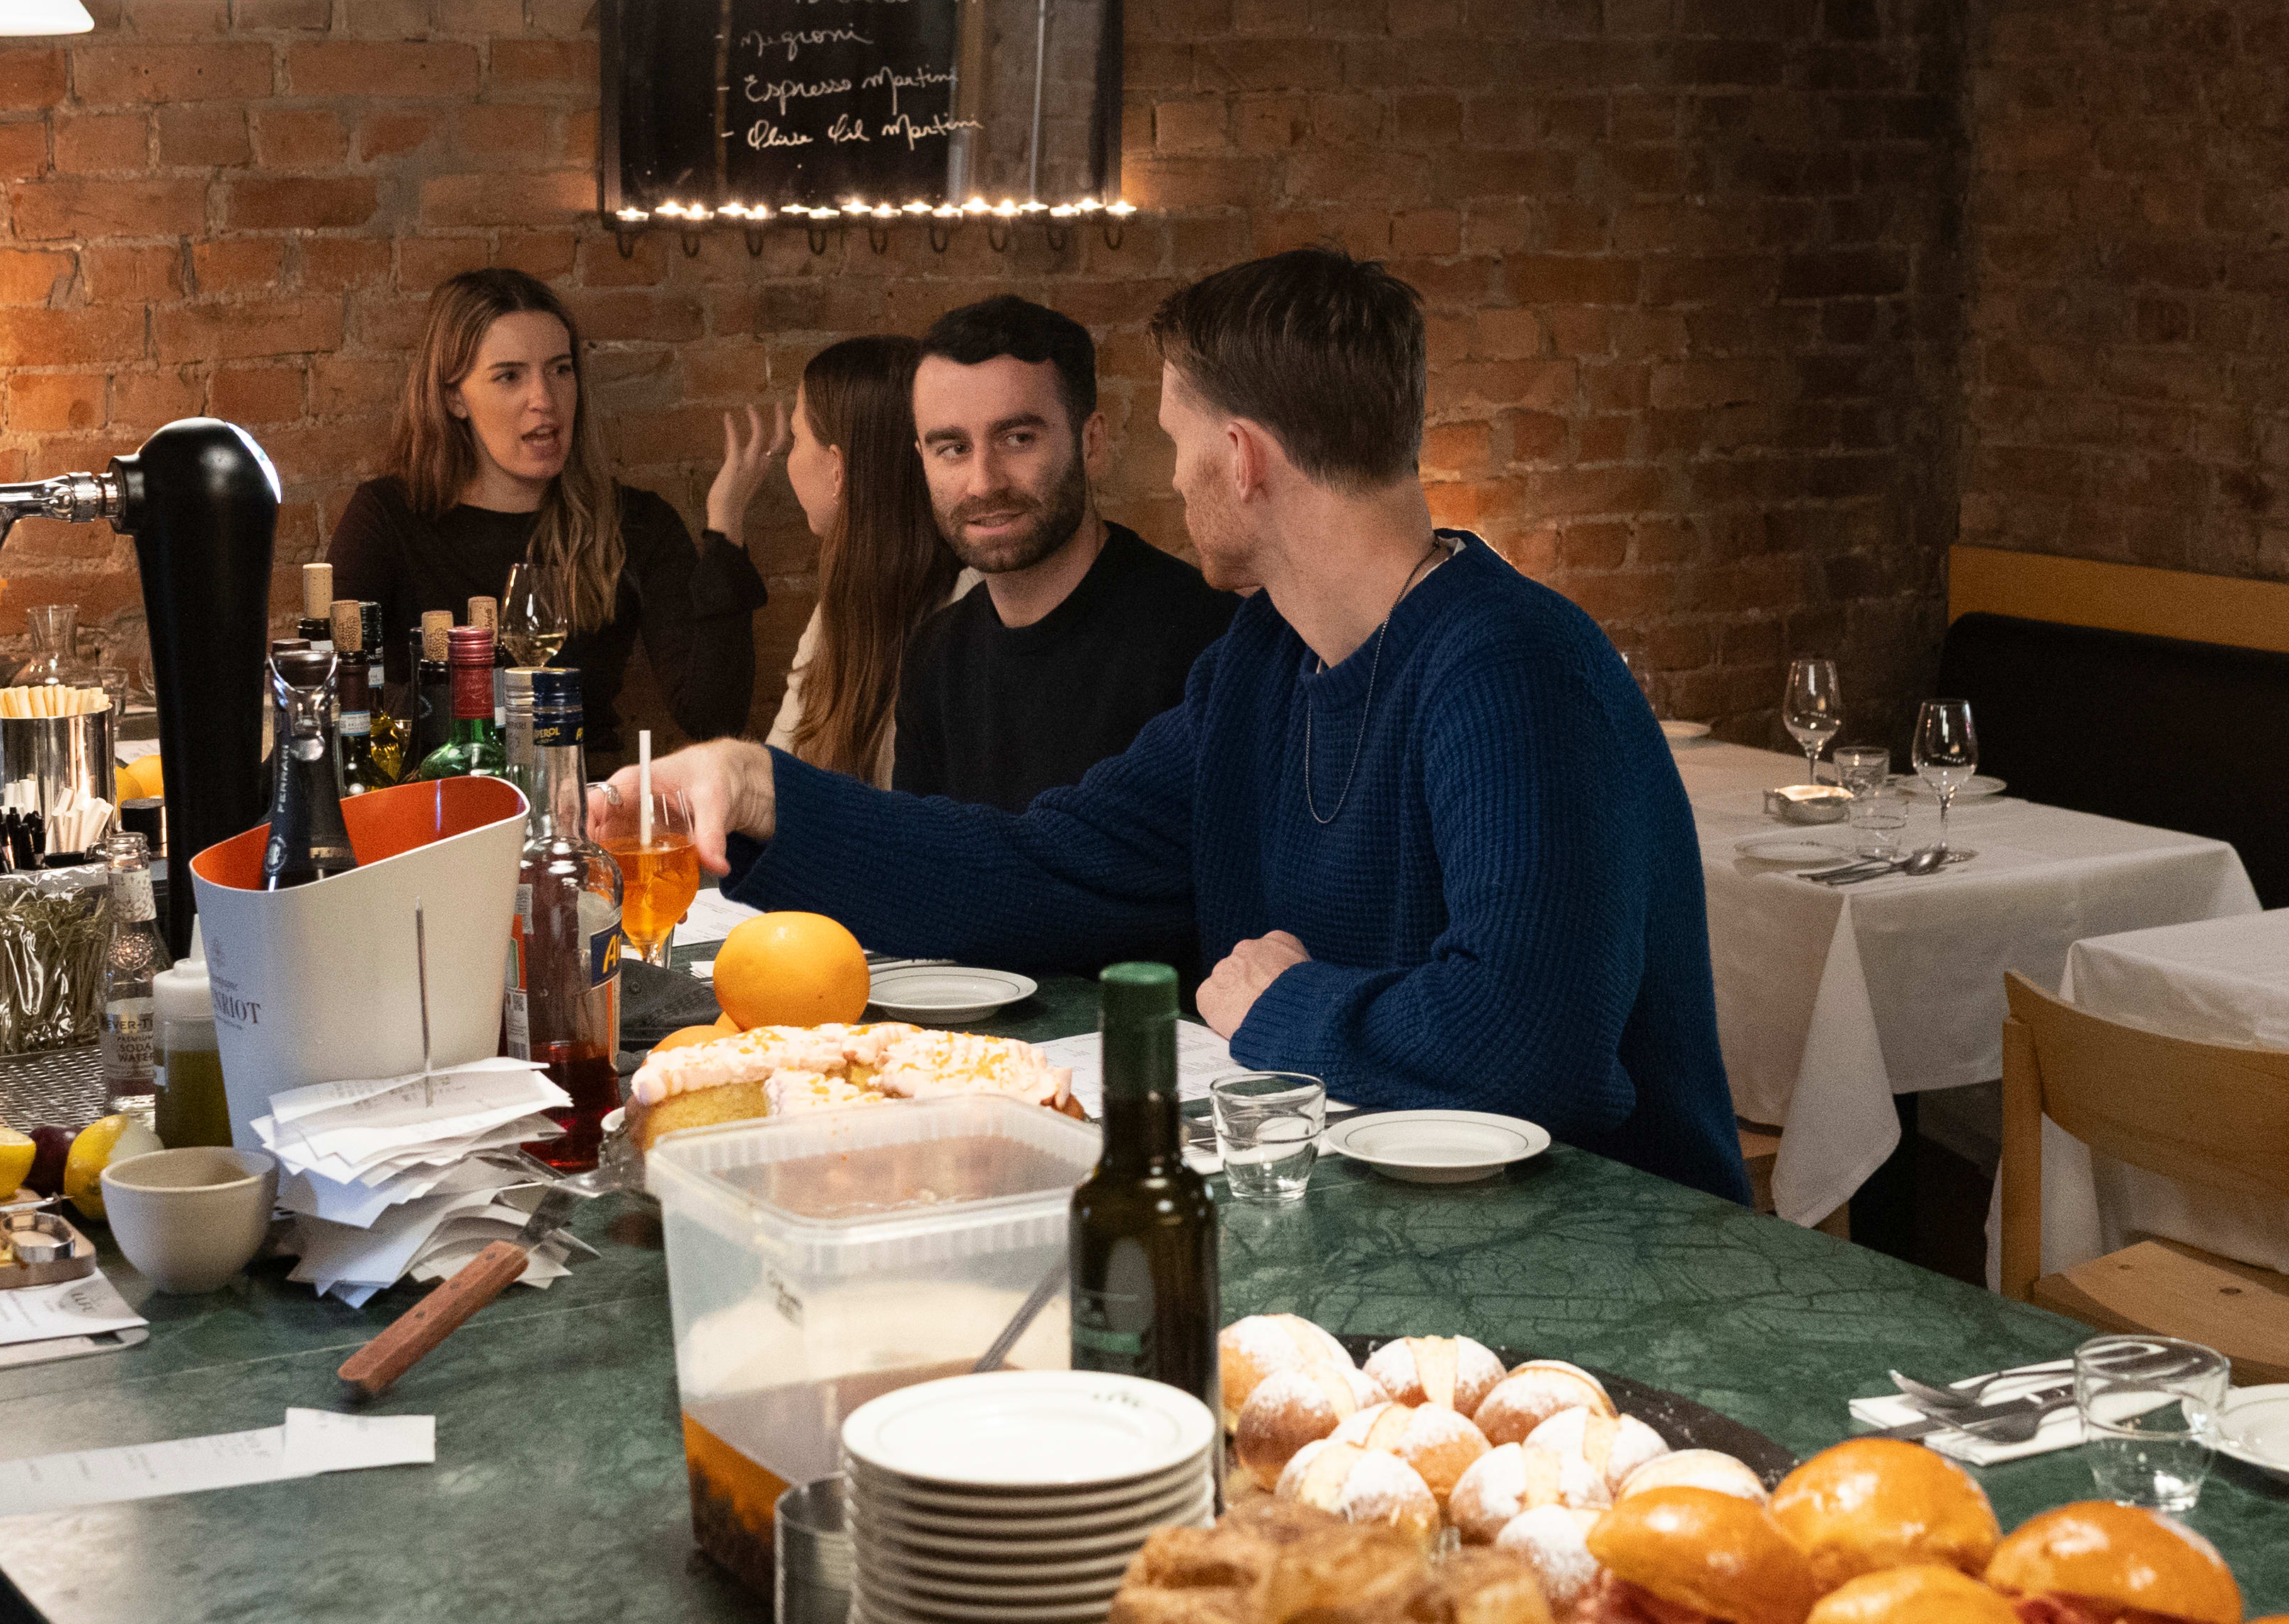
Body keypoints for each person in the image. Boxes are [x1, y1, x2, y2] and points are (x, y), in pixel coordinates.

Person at [597, 248, 1743, 1199]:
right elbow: (1049, 871)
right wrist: (763, 791)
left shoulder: (1511, 664)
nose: (1173, 470)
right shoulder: (1263, 659)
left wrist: (1284, 1004)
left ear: (1239, 458)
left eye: (1173, 434)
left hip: (1610, 1256)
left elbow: (1529, 1040)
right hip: (1386, 1216)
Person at [323, 265, 781, 747]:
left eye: (560, 370)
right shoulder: (390, 516)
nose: (545, 398)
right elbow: (333, 691)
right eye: (509, 377)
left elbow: (713, 716)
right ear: (454, 397)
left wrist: (726, 526)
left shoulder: (634, 522)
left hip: (582, 802)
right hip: (437, 802)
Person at [895, 292, 1239, 810]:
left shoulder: (1206, 643)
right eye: (954, 449)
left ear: (1092, 443)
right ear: (922, 460)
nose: (983, 483)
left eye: (1017, 439)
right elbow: (921, 869)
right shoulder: (935, 657)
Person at [772, 332, 955, 779]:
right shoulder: (838, 613)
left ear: (837, 467)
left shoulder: (966, 615)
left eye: (796, 439)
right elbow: (779, 777)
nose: (787, 458)